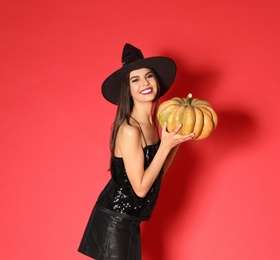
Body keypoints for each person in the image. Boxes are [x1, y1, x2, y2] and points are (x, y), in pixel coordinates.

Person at [78, 43, 194, 260]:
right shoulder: (129, 130)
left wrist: (174, 144)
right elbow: (140, 189)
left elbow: (155, 174)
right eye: (135, 79)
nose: (145, 83)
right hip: (115, 220)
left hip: (130, 220)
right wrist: (165, 146)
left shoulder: (152, 123)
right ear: (128, 89)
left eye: (149, 76)